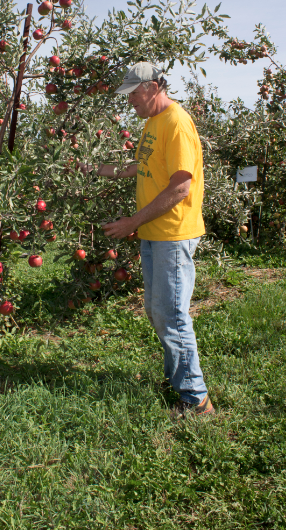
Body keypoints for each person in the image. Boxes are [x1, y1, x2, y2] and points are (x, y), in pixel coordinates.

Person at [79, 61, 214, 416]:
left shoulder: (176, 123)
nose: (130, 102)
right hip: (154, 232)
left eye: (134, 94)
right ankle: (178, 378)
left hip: (173, 233)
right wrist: (92, 169)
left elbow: (181, 187)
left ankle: (196, 399)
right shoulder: (152, 124)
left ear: (153, 87)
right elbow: (136, 168)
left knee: (171, 314)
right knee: (158, 312)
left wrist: (132, 222)